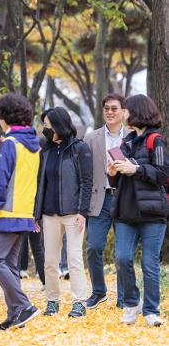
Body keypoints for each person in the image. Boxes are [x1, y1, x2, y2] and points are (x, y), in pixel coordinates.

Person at [108, 94, 169, 327]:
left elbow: (163, 174)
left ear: (138, 112)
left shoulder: (156, 141)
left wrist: (136, 169)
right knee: (122, 259)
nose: (123, 114)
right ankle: (132, 303)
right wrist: (112, 174)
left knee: (149, 263)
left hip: (153, 212)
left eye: (126, 110)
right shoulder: (126, 142)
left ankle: (152, 310)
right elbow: (119, 182)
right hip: (125, 211)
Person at [0, 93, 41, 330]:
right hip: (24, 213)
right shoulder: (33, 146)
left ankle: (23, 306)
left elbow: (0, 181)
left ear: (4, 117)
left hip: (6, 214)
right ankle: (16, 314)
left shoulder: (10, 144)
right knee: (10, 264)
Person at [34, 107, 92, 318]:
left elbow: (87, 182)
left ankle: (79, 302)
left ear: (59, 125)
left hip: (73, 214)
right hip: (49, 214)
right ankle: (52, 301)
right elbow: (40, 184)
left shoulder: (80, 149)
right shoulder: (46, 151)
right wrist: (36, 214)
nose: (45, 129)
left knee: (74, 259)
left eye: (48, 125)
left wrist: (82, 212)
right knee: (50, 261)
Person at [83, 93, 128, 309]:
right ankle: (98, 292)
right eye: (107, 108)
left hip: (125, 200)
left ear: (123, 112)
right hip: (99, 200)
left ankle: (123, 297)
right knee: (93, 247)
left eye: (114, 108)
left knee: (122, 252)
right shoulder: (91, 138)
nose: (110, 112)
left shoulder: (132, 136)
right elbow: (84, 172)